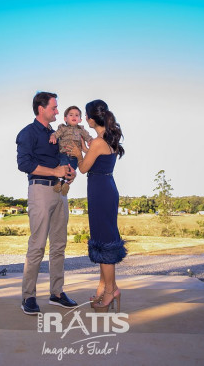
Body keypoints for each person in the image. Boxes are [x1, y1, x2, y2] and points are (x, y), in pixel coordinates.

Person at [16, 91, 78, 315]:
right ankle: (28, 297)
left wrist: (69, 173)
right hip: (40, 190)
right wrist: (54, 171)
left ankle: (57, 293)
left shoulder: (57, 134)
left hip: (60, 191)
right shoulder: (27, 133)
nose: (57, 111)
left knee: (59, 245)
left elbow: (63, 160)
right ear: (41, 109)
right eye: (54, 107)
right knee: (38, 245)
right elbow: (24, 164)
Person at [67, 99, 127, 313]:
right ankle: (104, 287)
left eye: (86, 115)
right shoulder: (106, 139)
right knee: (104, 239)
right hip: (106, 188)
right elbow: (95, 155)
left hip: (100, 191)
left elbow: (84, 168)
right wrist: (85, 148)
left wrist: (78, 154)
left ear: (93, 119)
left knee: (104, 241)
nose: (84, 119)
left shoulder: (99, 142)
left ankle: (111, 291)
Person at [49, 105, 93, 195]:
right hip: (64, 153)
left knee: (71, 169)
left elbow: (88, 137)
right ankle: (59, 182)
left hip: (75, 156)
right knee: (64, 166)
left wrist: (90, 141)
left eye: (77, 115)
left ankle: (66, 184)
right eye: (71, 115)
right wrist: (53, 137)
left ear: (80, 120)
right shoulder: (63, 128)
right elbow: (56, 134)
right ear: (65, 118)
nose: (74, 117)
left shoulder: (81, 129)